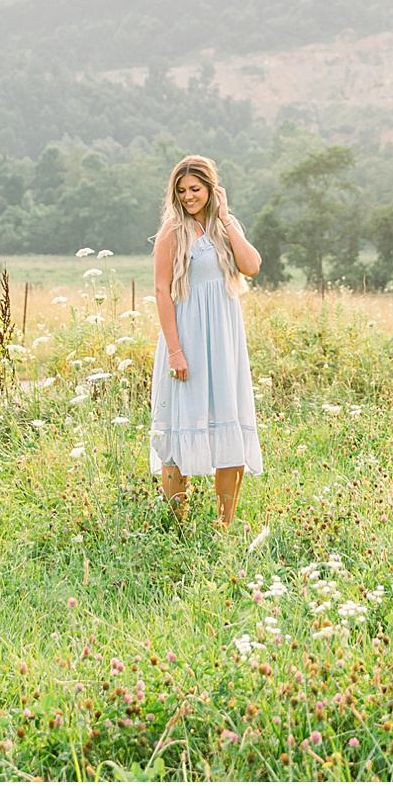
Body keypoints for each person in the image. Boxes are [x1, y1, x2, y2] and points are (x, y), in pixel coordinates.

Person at [149, 155, 264, 527]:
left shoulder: (223, 227)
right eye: (181, 191)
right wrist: (176, 351)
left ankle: (224, 525)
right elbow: (162, 292)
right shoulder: (172, 230)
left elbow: (252, 266)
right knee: (181, 430)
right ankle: (176, 527)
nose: (188, 197)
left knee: (229, 426)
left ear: (212, 189)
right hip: (188, 341)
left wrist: (227, 217)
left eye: (195, 190)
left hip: (225, 342)